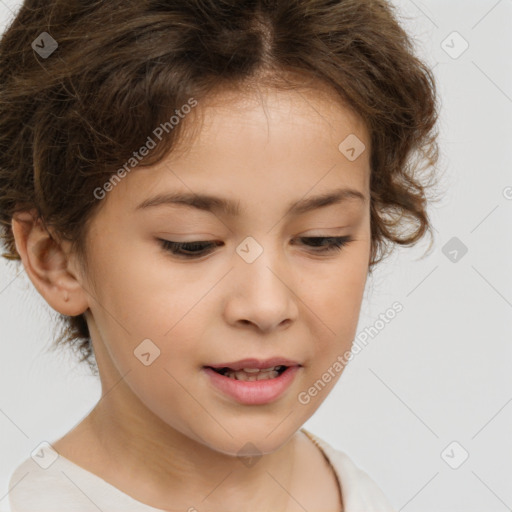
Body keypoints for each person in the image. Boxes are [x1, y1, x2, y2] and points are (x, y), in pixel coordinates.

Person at [0, 0, 439, 510]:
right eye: (193, 245)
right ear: (55, 258)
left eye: (322, 238)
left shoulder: (352, 490)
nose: (267, 305)